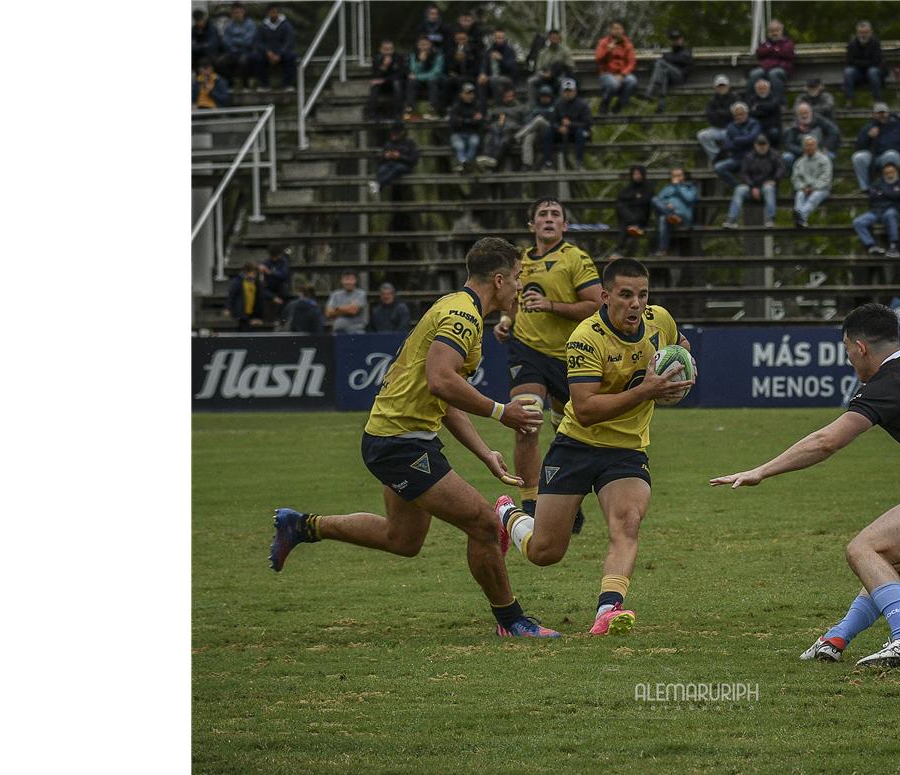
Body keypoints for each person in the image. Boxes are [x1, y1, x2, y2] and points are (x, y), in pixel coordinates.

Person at [269, 237, 560, 639]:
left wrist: (484, 453)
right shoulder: (464, 317)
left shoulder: (455, 306)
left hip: (399, 437)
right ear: (498, 279)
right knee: (483, 523)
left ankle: (301, 526)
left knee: (402, 538)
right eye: (516, 278)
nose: (519, 287)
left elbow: (446, 396)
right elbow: (441, 381)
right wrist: (501, 412)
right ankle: (511, 621)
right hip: (400, 443)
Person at [710, 303, 900, 668]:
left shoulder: (887, 385)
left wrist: (762, 470)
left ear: (860, 348)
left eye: (847, 353)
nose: (851, 363)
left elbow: (826, 441)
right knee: (889, 565)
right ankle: (838, 637)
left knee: (863, 549)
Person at [496, 258, 694, 637]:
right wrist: (647, 390)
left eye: (642, 295)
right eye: (625, 295)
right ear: (605, 296)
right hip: (577, 446)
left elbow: (678, 344)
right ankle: (506, 513)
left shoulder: (660, 321)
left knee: (628, 523)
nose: (635, 303)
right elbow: (585, 410)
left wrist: (683, 365)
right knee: (545, 552)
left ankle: (608, 609)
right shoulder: (586, 337)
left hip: (627, 449)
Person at [491, 198, 604, 534]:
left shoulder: (575, 258)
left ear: (565, 226)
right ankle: (531, 504)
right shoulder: (519, 262)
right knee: (526, 421)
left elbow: (597, 305)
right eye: (543, 214)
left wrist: (551, 305)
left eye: (556, 215)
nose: (550, 219)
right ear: (532, 226)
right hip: (526, 352)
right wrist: (505, 321)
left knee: (570, 434)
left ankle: (568, 498)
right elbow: (514, 304)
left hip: (571, 356)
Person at [723, 134, 781, 229]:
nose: (762, 147)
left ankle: (770, 219)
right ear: (755, 145)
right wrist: (752, 186)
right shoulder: (749, 156)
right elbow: (744, 173)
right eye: (759, 144)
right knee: (739, 189)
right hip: (751, 187)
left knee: (769, 188)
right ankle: (732, 220)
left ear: (768, 144)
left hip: (768, 187)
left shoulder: (775, 155)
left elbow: (781, 169)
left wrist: (774, 180)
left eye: (764, 144)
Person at [853, 162, 900, 257]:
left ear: (896, 172)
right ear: (883, 173)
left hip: (892, 210)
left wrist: (882, 192)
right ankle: (871, 246)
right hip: (876, 212)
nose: (889, 175)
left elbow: (899, 195)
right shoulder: (877, 183)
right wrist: (891, 193)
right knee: (858, 222)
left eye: (892, 172)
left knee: (890, 214)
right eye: (887, 173)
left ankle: (894, 246)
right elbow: (872, 195)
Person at [543, 79, 592, 170]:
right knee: (548, 131)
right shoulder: (558, 104)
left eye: (570, 91)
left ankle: (579, 162)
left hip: (576, 134)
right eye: (566, 91)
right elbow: (552, 121)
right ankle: (548, 163)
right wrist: (558, 127)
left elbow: (587, 123)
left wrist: (571, 124)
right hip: (561, 134)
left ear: (575, 91)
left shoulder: (583, 105)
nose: (568, 93)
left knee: (580, 132)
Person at [477, 87, 527, 171]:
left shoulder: (521, 108)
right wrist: (492, 125)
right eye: (506, 96)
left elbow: (525, 124)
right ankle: (486, 158)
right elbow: (489, 122)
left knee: (504, 140)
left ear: (514, 97)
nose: (507, 98)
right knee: (488, 137)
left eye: (509, 96)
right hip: (497, 131)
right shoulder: (498, 109)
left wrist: (514, 127)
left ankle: (494, 160)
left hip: (512, 133)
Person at [714, 102, 762, 188]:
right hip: (736, 158)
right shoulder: (730, 126)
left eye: (741, 114)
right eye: (736, 115)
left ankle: (753, 189)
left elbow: (752, 138)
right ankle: (738, 187)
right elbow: (727, 145)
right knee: (718, 168)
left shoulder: (754, 124)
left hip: (752, 158)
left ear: (746, 113)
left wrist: (736, 140)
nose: (739, 117)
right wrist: (744, 140)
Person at [594, 21, 638, 115]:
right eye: (615, 29)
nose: (617, 31)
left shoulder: (627, 44)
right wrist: (608, 51)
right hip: (607, 73)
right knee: (614, 84)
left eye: (619, 29)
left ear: (623, 30)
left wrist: (623, 74)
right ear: (610, 30)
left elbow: (631, 62)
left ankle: (619, 105)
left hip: (622, 73)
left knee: (632, 81)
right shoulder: (603, 42)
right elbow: (598, 59)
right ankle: (605, 103)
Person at [779, 102, 840, 169]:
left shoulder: (819, 120)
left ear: (811, 112)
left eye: (806, 112)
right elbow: (788, 144)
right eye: (801, 113)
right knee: (787, 157)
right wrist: (803, 151)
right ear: (797, 115)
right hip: (800, 154)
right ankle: (795, 177)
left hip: (820, 152)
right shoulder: (793, 126)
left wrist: (826, 147)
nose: (804, 115)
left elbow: (834, 131)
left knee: (830, 157)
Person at [646, 29, 693, 113]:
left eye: (677, 39)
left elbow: (682, 60)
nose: (675, 41)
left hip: (681, 77)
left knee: (660, 63)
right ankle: (661, 104)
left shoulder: (687, 52)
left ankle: (650, 91)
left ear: (681, 39)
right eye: (673, 39)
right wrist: (661, 62)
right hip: (668, 78)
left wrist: (665, 59)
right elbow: (651, 66)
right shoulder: (668, 54)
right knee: (663, 72)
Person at [790, 135, 833, 228]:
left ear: (816, 146)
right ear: (803, 147)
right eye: (807, 145)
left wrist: (813, 188)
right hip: (804, 188)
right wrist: (802, 187)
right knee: (799, 195)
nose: (809, 147)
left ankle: (800, 216)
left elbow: (826, 177)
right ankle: (801, 220)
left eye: (811, 145)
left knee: (814, 197)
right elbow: (795, 178)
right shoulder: (799, 162)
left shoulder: (824, 160)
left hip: (822, 188)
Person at [653, 168, 697, 256]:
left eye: (679, 175)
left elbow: (689, 199)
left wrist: (677, 187)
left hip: (683, 217)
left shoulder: (690, 187)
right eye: (675, 175)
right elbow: (659, 200)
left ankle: (663, 249)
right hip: (669, 215)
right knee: (654, 200)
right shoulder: (667, 188)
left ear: (684, 176)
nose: (677, 177)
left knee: (663, 218)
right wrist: (667, 204)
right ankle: (663, 251)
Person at [750, 18, 796, 102]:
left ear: (781, 30)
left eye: (776, 30)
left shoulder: (787, 42)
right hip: (766, 69)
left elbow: (787, 54)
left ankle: (777, 102)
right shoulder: (766, 43)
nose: (774, 33)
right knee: (754, 74)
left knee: (774, 73)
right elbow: (760, 53)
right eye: (771, 31)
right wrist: (775, 50)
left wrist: (770, 52)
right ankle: (752, 102)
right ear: (768, 32)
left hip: (782, 70)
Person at [216, 2, 260, 89]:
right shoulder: (229, 25)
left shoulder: (250, 24)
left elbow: (248, 41)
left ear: (243, 12)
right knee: (220, 62)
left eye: (239, 12)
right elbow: (225, 41)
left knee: (243, 61)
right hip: (233, 51)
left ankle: (245, 85)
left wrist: (234, 41)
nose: (237, 14)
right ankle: (230, 84)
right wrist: (236, 44)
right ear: (232, 14)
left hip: (247, 51)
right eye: (235, 12)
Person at [696, 75, 739, 165]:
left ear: (728, 86)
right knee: (702, 135)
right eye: (719, 86)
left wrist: (719, 113)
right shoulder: (712, 100)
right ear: (716, 87)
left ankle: (732, 160)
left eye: (724, 86)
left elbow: (735, 114)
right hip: (716, 128)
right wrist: (725, 113)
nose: (722, 88)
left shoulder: (735, 98)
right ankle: (717, 157)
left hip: (731, 128)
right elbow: (710, 116)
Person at [369, 120, 420, 194]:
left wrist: (400, 156)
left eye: (396, 133)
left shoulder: (410, 143)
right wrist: (386, 156)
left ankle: (378, 185)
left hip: (404, 165)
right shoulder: (388, 143)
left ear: (402, 132)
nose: (394, 135)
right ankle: (377, 186)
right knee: (382, 169)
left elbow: (413, 160)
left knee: (397, 169)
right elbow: (380, 159)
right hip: (389, 164)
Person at [527, 29, 574, 106]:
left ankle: (560, 106)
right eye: (552, 38)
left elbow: (570, 65)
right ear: (549, 39)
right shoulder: (543, 52)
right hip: (545, 75)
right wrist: (544, 74)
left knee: (562, 82)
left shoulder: (565, 51)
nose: (554, 40)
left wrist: (554, 72)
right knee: (531, 81)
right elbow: (538, 68)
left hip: (559, 75)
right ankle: (532, 106)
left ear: (559, 39)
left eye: (556, 38)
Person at [613, 165, 653, 257]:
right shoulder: (629, 187)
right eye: (634, 174)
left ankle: (618, 251)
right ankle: (619, 250)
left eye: (638, 174)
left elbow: (645, 200)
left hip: (641, 217)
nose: (636, 176)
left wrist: (630, 201)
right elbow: (620, 198)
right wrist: (635, 197)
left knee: (626, 220)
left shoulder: (648, 186)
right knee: (621, 209)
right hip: (630, 218)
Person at [255, 4, 297, 91]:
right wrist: (267, 52)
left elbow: (289, 41)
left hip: (282, 53)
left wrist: (280, 54)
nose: (274, 14)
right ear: (268, 13)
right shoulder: (263, 26)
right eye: (271, 12)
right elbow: (258, 42)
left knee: (291, 57)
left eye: (275, 12)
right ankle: (264, 85)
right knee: (256, 58)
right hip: (268, 53)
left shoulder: (286, 25)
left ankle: (286, 85)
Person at [843, 21, 885, 107]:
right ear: (857, 33)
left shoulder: (875, 43)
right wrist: (867, 62)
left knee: (872, 71)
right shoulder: (852, 44)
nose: (863, 35)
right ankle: (850, 100)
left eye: (866, 32)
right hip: (858, 73)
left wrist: (859, 62)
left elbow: (876, 61)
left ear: (870, 32)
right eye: (861, 33)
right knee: (848, 71)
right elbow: (849, 62)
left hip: (873, 72)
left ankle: (877, 100)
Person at [405, 35, 446, 120]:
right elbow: (413, 70)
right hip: (420, 81)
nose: (424, 47)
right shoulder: (414, 55)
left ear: (430, 44)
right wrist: (421, 61)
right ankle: (411, 110)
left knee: (432, 81)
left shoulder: (438, 54)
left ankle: (433, 110)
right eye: (421, 45)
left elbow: (436, 72)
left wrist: (417, 76)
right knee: (411, 82)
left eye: (426, 44)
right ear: (417, 45)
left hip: (435, 80)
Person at [447, 83, 486, 171]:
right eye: (467, 93)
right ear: (462, 94)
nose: (470, 96)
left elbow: (480, 122)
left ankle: (465, 164)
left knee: (474, 143)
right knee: (459, 146)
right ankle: (463, 162)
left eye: (471, 93)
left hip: (472, 133)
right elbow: (453, 123)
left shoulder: (477, 106)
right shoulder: (456, 107)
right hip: (458, 133)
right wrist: (471, 120)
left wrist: (463, 120)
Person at [516, 85, 556, 169]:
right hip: (537, 133)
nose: (544, 98)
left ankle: (519, 135)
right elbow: (528, 121)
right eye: (543, 96)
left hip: (550, 132)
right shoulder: (535, 107)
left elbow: (555, 121)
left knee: (539, 119)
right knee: (528, 137)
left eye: (546, 96)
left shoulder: (555, 106)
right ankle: (527, 164)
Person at [366, 40, 408, 121]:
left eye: (390, 49)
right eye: (386, 49)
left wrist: (384, 80)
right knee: (375, 86)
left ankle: (398, 113)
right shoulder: (377, 58)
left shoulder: (399, 58)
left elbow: (400, 75)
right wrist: (384, 66)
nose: (388, 52)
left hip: (395, 84)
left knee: (397, 84)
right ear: (381, 49)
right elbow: (375, 76)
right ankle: (371, 113)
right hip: (383, 86)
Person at [443, 28, 483, 108]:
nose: (461, 41)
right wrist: (456, 61)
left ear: (467, 39)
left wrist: (466, 58)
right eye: (459, 39)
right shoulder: (452, 50)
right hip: (456, 76)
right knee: (447, 82)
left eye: (463, 39)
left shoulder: (474, 50)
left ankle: (463, 107)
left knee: (461, 81)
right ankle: (447, 108)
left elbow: (477, 66)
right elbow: (448, 67)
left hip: (471, 76)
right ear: (455, 39)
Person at [478, 28, 519, 103]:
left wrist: (501, 59)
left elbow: (512, 68)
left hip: (507, 77)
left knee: (494, 80)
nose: (499, 40)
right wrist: (482, 74)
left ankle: (499, 104)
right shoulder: (489, 50)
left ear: (505, 38)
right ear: (494, 38)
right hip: (492, 76)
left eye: (501, 38)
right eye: (497, 37)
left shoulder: (509, 50)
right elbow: (484, 64)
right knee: (481, 81)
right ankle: (482, 109)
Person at [224, 261, 266, 331]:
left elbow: (260, 299)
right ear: (246, 272)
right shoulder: (238, 282)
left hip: (253, 312)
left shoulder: (257, 283)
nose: (253, 275)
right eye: (251, 273)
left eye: (255, 273)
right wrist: (228, 308)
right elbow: (232, 295)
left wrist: (259, 316)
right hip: (241, 313)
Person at [747, 78, 783, 143]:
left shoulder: (775, 97)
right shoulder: (752, 98)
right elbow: (751, 113)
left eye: (764, 88)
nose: (762, 90)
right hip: (757, 126)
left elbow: (772, 107)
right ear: (756, 90)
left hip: (772, 126)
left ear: (768, 88)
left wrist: (758, 106)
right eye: (759, 88)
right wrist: (767, 110)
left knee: (774, 132)